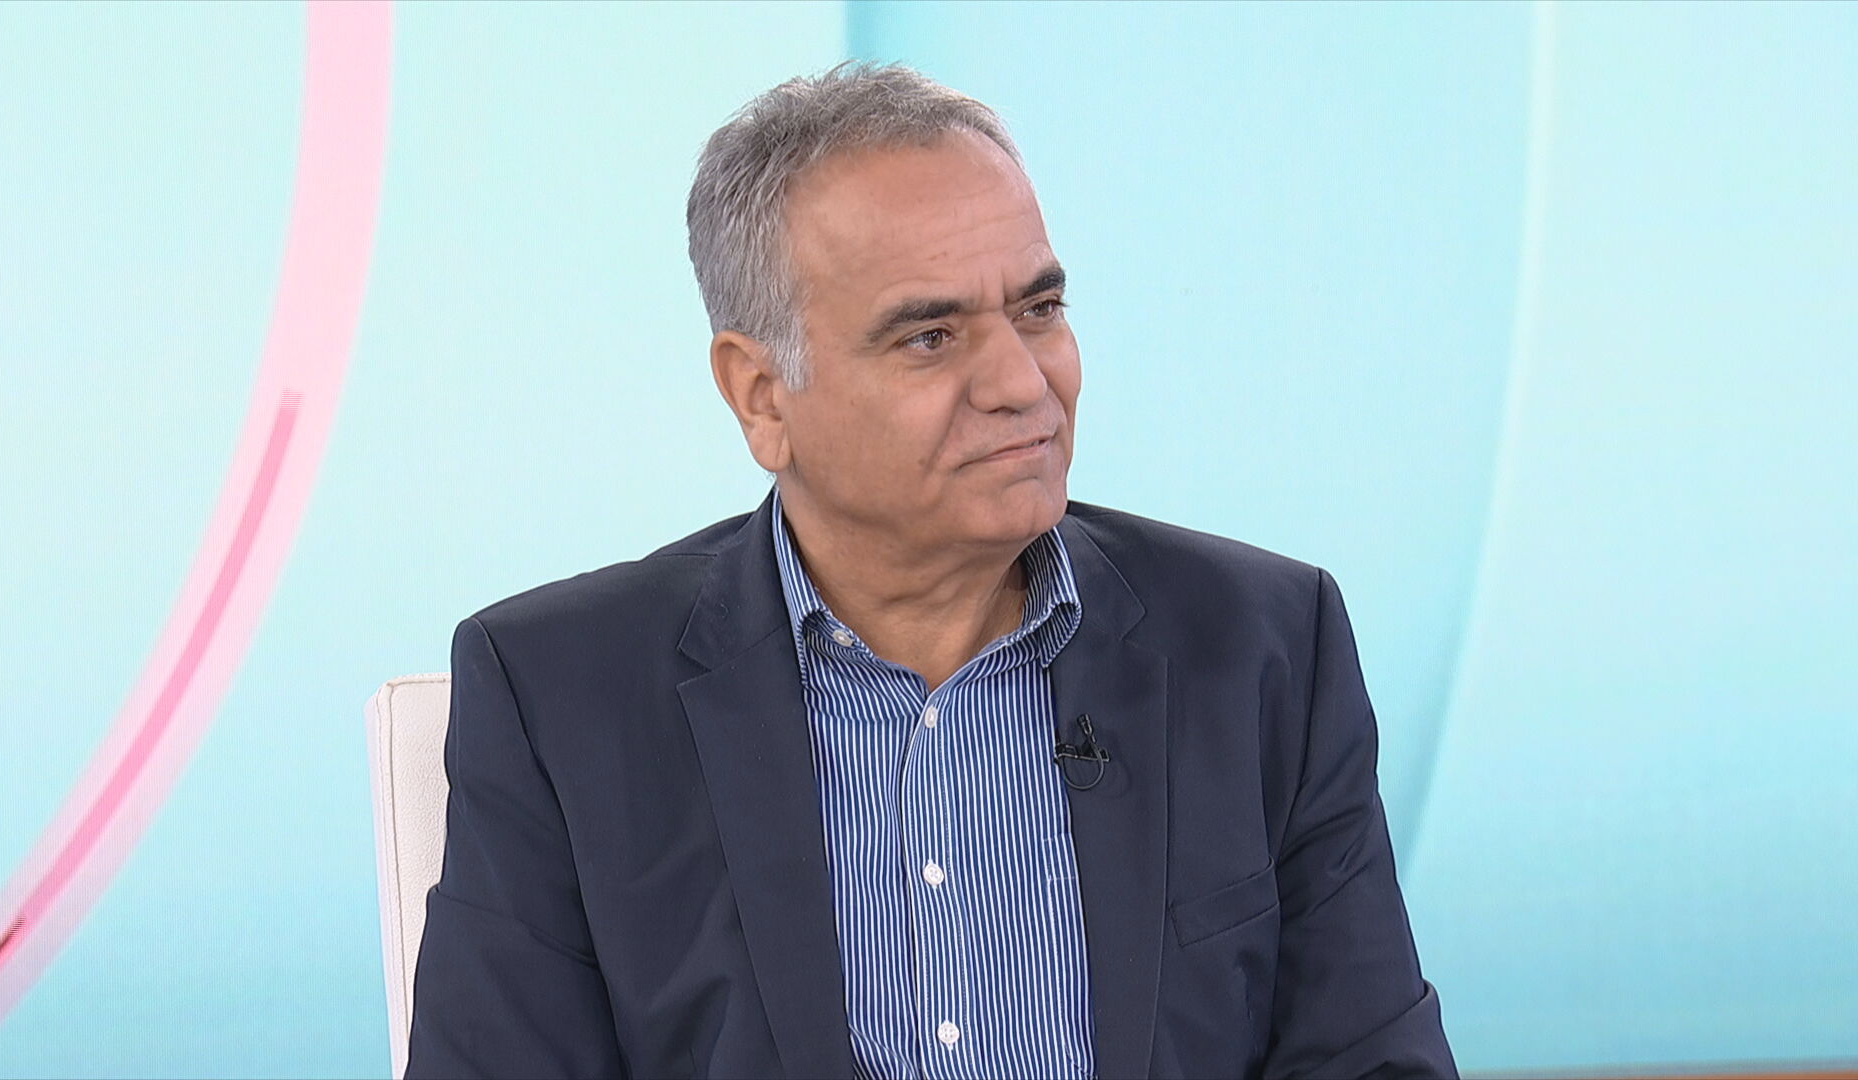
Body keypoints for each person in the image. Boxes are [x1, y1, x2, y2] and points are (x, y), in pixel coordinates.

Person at [405, 62, 1456, 1080]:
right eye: (931, 337)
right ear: (762, 395)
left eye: (1039, 310)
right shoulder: (563, 699)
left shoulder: (1265, 647)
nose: (1021, 383)